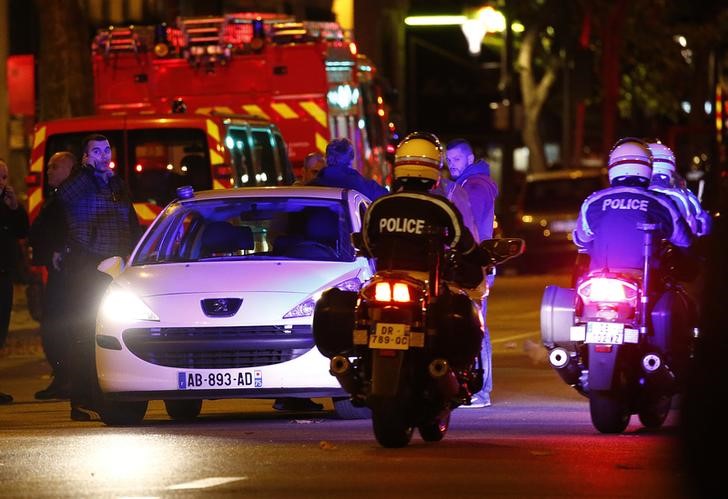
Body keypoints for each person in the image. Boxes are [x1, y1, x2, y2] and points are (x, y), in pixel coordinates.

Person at [361, 131, 489, 387]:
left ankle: (363, 367)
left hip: (383, 285)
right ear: (434, 168)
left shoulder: (380, 206)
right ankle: (452, 374)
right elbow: (463, 244)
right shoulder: (440, 207)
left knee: (363, 318)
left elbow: (367, 244)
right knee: (452, 323)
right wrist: (480, 258)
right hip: (425, 288)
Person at [54, 134, 142, 421]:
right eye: (96, 151)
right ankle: (81, 399)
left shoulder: (116, 184)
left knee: (110, 332)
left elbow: (130, 221)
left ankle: (105, 392)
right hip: (87, 267)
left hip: (117, 267)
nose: (103, 155)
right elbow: (63, 197)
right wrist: (88, 171)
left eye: (106, 150)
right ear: (85, 156)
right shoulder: (79, 182)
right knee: (85, 334)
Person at [574, 137, 692, 272]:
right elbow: (684, 242)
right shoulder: (662, 203)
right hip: (647, 284)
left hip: (599, 282)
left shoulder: (593, 202)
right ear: (648, 168)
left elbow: (581, 239)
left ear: (612, 167)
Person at [445, 138, 499, 408]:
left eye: (455, 159)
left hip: (473, 266)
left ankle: (482, 391)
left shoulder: (474, 187)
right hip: (470, 264)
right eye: (448, 160)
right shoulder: (465, 185)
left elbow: (468, 229)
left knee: (476, 326)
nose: (450, 164)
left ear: (469, 159)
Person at [28, 152, 79, 400]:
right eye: (48, 166)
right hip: (58, 271)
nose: (49, 171)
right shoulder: (59, 197)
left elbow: (72, 230)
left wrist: (62, 250)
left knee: (57, 327)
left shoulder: (69, 199)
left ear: (69, 170)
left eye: (54, 167)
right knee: (54, 327)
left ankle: (66, 379)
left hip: (66, 274)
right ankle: (63, 378)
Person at [0, 158, 30, 404]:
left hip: (4, 274)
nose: (2, 182)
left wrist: (15, 207)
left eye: (4, 177)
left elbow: (22, 231)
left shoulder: (7, 204)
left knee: (1, 330)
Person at [308, 138, 389, 200]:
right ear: (351, 159)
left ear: (327, 158)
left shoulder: (311, 187)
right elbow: (385, 197)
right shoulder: (360, 184)